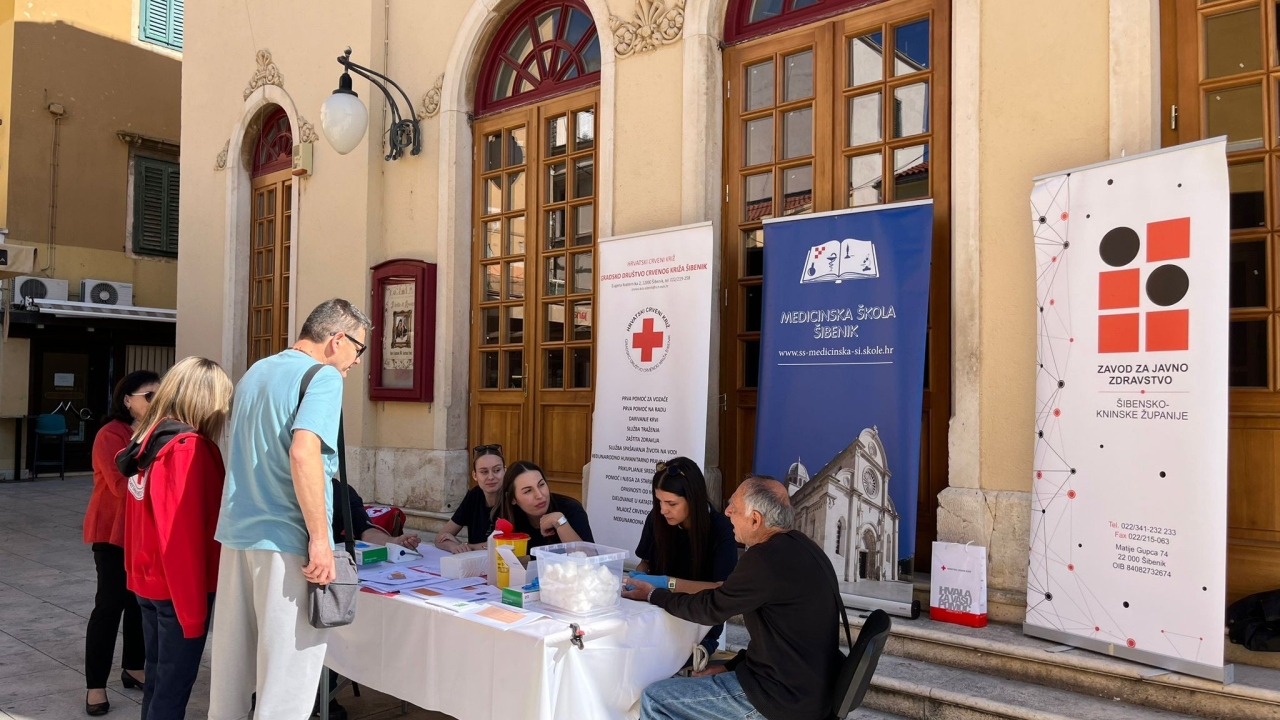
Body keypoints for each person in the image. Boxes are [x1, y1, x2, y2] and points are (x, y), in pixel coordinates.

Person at [208, 298, 371, 720]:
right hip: (285, 538)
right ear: (337, 340)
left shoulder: (257, 371)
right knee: (287, 682)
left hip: (237, 534)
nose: (357, 361)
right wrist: (320, 538)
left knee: (231, 672)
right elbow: (304, 454)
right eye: (359, 349)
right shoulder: (323, 376)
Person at [623, 477, 842, 720]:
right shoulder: (805, 547)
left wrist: (653, 593)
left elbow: (710, 609)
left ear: (755, 519)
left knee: (655, 698)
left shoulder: (764, 560)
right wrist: (731, 666)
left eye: (734, 508)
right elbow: (786, 638)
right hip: (808, 691)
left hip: (780, 700)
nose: (726, 512)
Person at [117, 357, 232, 720]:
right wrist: (193, 611)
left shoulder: (148, 440)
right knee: (170, 692)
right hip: (178, 590)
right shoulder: (186, 448)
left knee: (158, 683)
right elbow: (179, 535)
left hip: (150, 583)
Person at [83, 370, 158, 716]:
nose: (157, 401)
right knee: (109, 606)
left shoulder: (157, 431)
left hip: (142, 532)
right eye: (150, 395)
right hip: (113, 532)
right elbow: (120, 483)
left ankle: (133, 667)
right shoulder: (109, 435)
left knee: (139, 603)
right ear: (127, 400)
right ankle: (95, 685)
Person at [627, 457, 738, 660]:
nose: (663, 510)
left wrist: (666, 583)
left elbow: (721, 588)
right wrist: (637, 580)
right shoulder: (656, 519)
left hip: (697, 621)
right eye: (659, 502)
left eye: (671, 503)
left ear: (693, 499)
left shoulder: (721, 528)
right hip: (655, 611)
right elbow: (646, 562)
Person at [498, 460, 592, 548]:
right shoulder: (511, 517)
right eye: (528, 491)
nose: (539, 495)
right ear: (512, 499)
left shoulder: (571, 509)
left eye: (541, 485)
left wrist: (560, 522)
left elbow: (589, 560)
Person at [434, 444, 506, 553]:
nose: (491, 477)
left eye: (497, 470)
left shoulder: (513, 498)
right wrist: (455, 547)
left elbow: (504, 546)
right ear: (475, 475)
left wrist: (466, 546)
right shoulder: (474, 495)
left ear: (505, 471)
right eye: (484, 472)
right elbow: (440, 538)